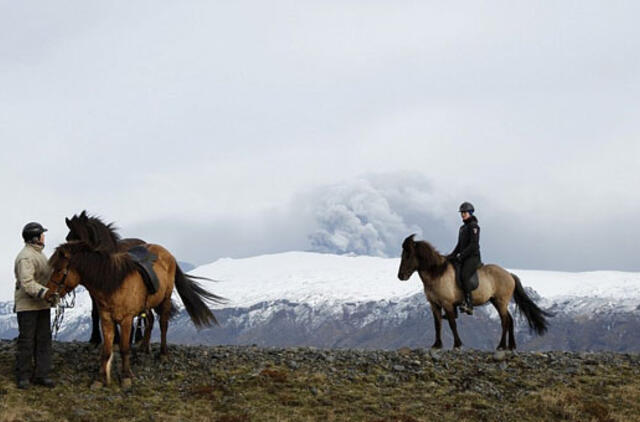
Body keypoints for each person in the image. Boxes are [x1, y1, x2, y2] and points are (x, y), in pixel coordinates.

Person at [14, 222, 57, 389]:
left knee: (44, 340)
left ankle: (42, 374)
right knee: (27, 341)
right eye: (42, 234)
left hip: (41, 305)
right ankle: (23, 376)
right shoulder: (26, 257)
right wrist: (46, 293)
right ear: (36, 238)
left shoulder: (39, 255)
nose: (44, 237)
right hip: (27, 306)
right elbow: (27, 283)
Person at [447, 202, 481, 315]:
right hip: (463, 257)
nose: (462, 215)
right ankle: (453, 309)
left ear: (470, 213)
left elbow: (473, 245)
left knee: (464, 275)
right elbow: (459, 245)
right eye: (461, 213)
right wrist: (450, 256)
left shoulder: (474, 226)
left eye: (464, 212)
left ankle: (469, 304)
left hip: (472, 258)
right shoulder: (462, 228)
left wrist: (461, 256)